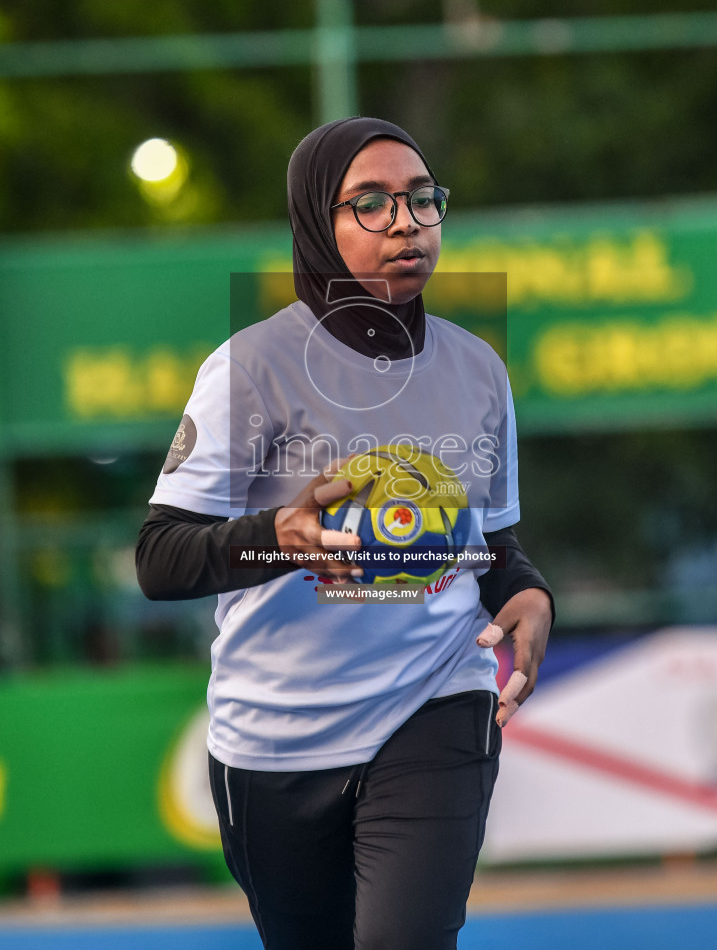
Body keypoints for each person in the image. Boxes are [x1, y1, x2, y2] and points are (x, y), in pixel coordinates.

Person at [135, 116, 553, 949]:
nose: (406, 223)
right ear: (314, 228)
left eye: (421, 200)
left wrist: (527, 590)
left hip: (435, 702)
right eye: (370, 204)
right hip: (276, 742)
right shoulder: (249, 369)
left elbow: (491, 547)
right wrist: (273, 539)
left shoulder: (478, 370)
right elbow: (159, 558)